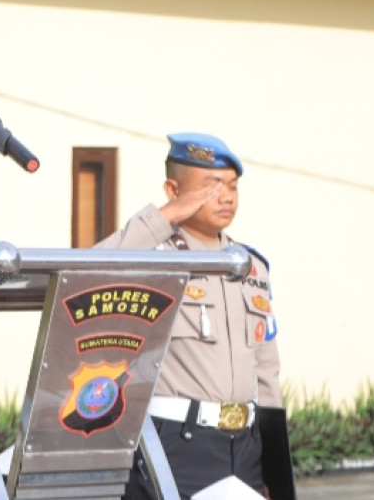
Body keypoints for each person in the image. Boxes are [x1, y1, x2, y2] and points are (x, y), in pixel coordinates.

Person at [96, 133, 281, 500]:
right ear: (173, 189)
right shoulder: (153, 256)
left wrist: (274, 461)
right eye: (212, 186)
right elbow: (90, 271)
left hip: (246, 447)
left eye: (232, 186)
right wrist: (164, 218)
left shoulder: (251, 266)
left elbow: (267, 370)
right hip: (178, 443)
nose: (226, 196)